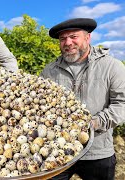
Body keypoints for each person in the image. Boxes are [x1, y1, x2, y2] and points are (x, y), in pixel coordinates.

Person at [40, 18, 125, 180]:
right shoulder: (49, 71)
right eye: (63, 39)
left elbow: (122, 104)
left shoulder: (111, 66)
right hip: (57, 152)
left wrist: (95, 123)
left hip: (97, 151)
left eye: (73, 37)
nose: (68, 42)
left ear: (88, 37)